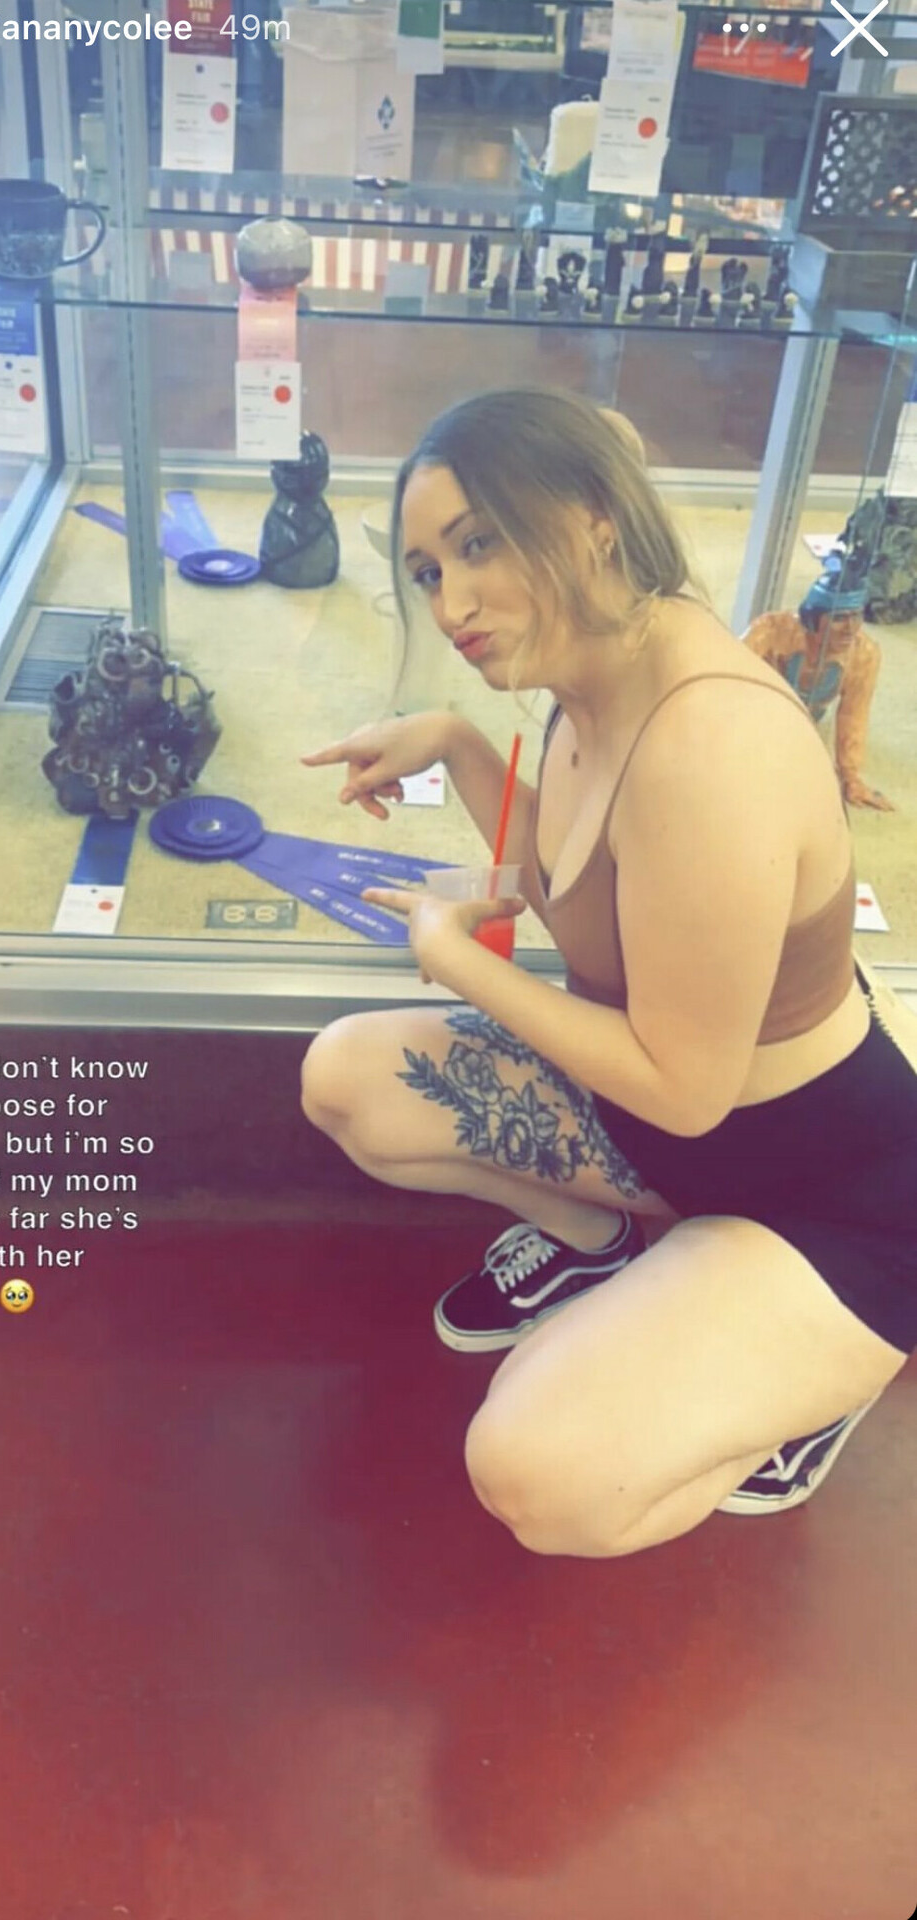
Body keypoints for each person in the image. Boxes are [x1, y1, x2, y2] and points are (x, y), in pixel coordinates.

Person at [300, 389, 917, 1559]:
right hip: (664, 1142)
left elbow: (685, 1087)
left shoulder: (711, 743)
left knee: (539, 1478)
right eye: (428, 571)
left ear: (592, 519)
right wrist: (456, 744)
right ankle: (619, 1250)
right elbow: (586, 887)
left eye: (481, 543)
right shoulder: (592, 671)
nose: (452, 604)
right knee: (344, 1081)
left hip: (833, 1201)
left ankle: (805, 1386)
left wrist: (458, 963)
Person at [742, 574, 893, 811]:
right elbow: (727, 678)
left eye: (856, 616)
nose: (850, 629)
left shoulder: (863, 654)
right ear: (812, 619)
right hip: (755, 715)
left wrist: (850, 776)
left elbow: (854, 715)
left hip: (806, 724)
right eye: (839, 618)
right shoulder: (771, 631)